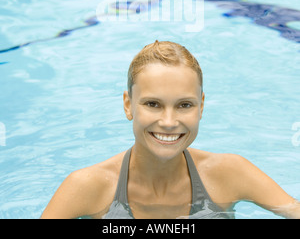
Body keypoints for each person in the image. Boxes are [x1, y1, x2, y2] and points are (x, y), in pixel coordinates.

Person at [41, 41, 300, 219]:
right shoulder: (89, 187)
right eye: (153, 104)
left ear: (201, 107)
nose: (168, 121)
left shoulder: (229, 174)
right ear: (128, 105)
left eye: (184, 105)